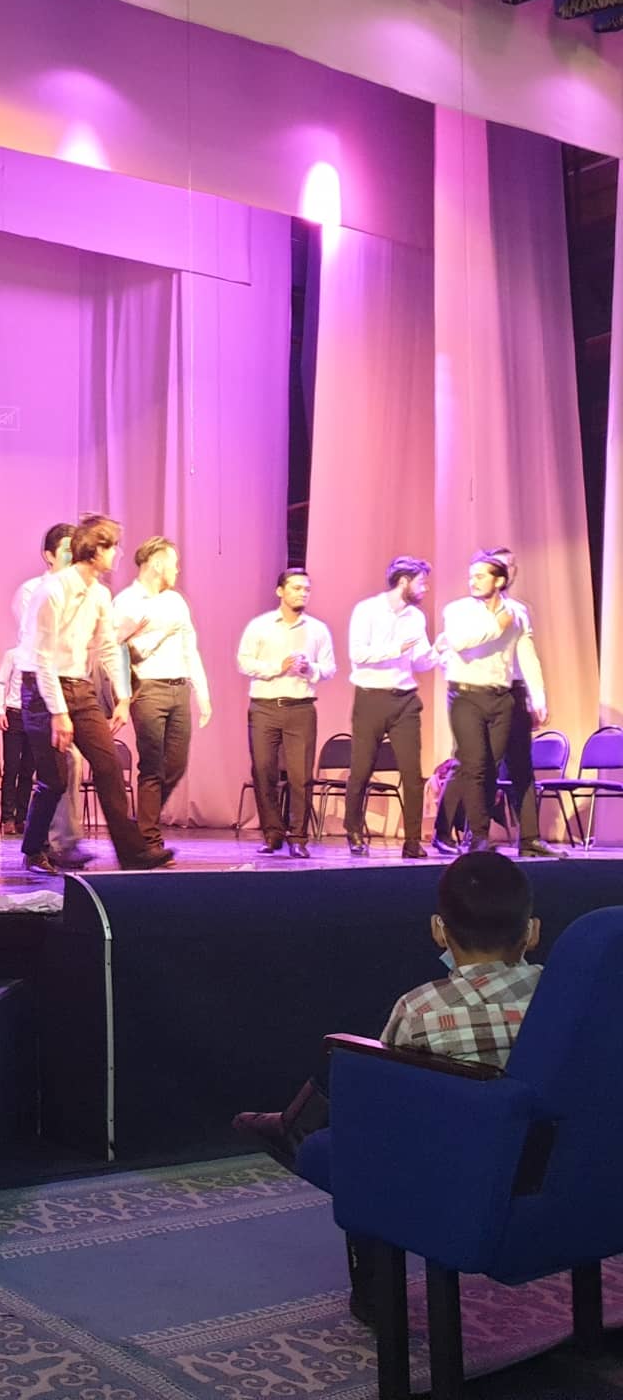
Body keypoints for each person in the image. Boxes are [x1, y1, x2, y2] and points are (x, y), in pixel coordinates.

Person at [232, 850, 540, 1323]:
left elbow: (383, 1095)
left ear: (439, 929)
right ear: (532, 932)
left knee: (355, 1091)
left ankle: (375, 1290)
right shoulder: (562, 997)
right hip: (543, 1158)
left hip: (450, 1167)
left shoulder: (421, 1008)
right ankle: (294, 1126)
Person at [18, 513, 166, 874]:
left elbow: (108, 647)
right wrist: (58, 712)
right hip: (42, 689)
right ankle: (33, 849)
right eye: (112, 547)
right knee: (54, 779)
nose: (117, 554)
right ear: (96, 549)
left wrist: (123, 696)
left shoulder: (100, 593)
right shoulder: (52, 591)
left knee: (108, 765)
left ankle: (132, 852)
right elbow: (42, 658)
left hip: (78, 687)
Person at [437, 550, 559, 859]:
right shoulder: (458, 610)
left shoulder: (516, 612)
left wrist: (539, 698)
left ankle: (522, 838)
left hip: (503, 696)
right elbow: (459, 642)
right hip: (465, 695)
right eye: (471, 576)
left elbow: (527, 655)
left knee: (494, 766)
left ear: (499, 581)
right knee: (475, 765)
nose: (473, 581)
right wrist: (496, 626)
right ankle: (477, 836)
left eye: (480, 576)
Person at [112, 537, 211, 853]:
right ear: (157, 563)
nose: (177, 570)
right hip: (148, 688)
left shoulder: (176, 602)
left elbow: (190, 648)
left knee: (176, 765)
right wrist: (158, 634)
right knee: (152, 765)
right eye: (174, 563)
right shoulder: (126, 602)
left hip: (179, 688)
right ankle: (149, 840)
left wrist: (202, 693)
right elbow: (119, 651)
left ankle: (143, 822)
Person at [237, 568, 336, 859]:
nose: (302, 593)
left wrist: (310, 669)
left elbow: (329, 668)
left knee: (300, 776)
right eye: (295, 588)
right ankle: (272, 834)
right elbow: (244, 662)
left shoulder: (318, 629)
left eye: (306, 589)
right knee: (263, 771)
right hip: (264, 707)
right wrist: (276, 668)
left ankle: (298, 838)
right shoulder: (260, 626)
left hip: (300, 708)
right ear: (280, 591)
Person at [342, 556, 436, 859]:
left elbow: (420, 661)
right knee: (361, 769)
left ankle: (412, 840)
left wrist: (439, 651)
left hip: (405, 700)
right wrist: (396, 649)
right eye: (421, 582)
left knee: (412, 773)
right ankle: (353, 830)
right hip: (370, 698)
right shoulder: (367, 610)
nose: (425, 588)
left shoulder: (416, 617)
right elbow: (358, 654)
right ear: (404, 581)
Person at [13, 521, 89, 867]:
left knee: (68, 765)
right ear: (49, 556)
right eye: (67, 551)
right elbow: (40, 646)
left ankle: (55, 842)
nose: (74, 558)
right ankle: (52, 843)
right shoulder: (35, 591)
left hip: (70, 687)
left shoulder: (84, 592)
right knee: (58, 769)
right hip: (40, 689)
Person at [0, 644, 32, 836]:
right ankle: (7, 817)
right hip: (14, 714)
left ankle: (21, 818)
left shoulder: (43, 656)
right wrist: (0, 711)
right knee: (11, 768)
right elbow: (0, 682)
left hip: (34, 715)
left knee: (28, 770)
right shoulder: (13, 655)